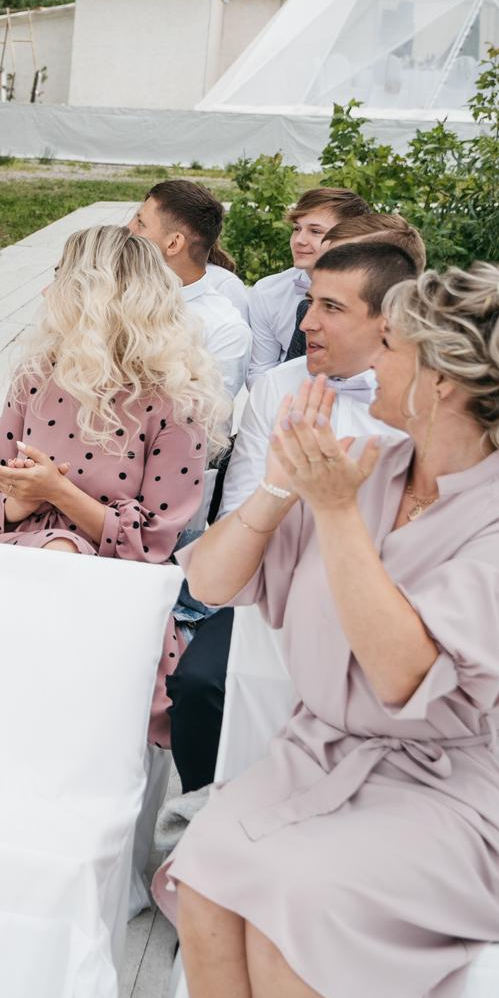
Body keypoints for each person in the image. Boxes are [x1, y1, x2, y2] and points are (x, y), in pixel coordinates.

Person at [160, 264, 499, 998]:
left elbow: (404, 673)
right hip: (319, 760)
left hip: (459, 798)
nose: (371, 362)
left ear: (442, 380)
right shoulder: (370, 467)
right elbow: (210, 583)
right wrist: (278, 488)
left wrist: (335, 512)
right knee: (206, 868)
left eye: (389, 345)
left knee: (298, 905)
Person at [165, 239, 421, 795]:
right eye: (309, 303)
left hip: (393, 598)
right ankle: (201, 811)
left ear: (389, 322)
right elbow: (236, 516)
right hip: (274, 581)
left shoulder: (432, 402)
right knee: (199, 682)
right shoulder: (280, 387)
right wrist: (282, 488)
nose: (306, 323)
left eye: (332, 308)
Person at [0, 225, 227, 743]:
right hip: (20, 570)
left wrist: (58, 492)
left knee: (63, 556)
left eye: (61, 276)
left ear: (96, 296)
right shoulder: (37, 376)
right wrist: (23, 500)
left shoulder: (175, 402)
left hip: (113, 589)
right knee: (55, 553)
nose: (47, 290)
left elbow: (153, 545)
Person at [127, 179, 252, 404]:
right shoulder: (117, 295)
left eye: (141, 223)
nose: (128, 229)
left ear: (173, 244)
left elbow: (207, 412)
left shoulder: (224, 328)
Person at [246, 186, 371, 384]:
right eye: (296, 229)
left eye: (315, 231)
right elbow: (260, 370)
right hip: (282, 397)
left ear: (349, 238)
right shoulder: (267, 291)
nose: (299, 240)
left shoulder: (375, 293)